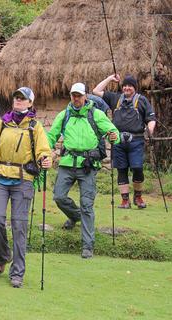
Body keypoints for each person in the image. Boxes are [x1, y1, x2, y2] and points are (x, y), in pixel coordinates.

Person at [0, 87, 51, 288]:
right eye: (16, 98)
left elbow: (43, 150)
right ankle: (3, 255)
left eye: (23, 99)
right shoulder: (1, 123)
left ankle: (17, 273)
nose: (19, 101)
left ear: (30, 103)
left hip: (23, 181)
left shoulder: (35, 127)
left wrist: (45, 159)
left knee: (19, 226)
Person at [47, 83, 119, 259]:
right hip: (67, 163)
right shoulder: (64, 115)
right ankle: (75, 215)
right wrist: (45, 151)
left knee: (87, 205)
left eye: (79, 95)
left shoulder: (96, 114)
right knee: (58, 196)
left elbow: (113, 131)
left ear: (85, 96)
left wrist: (114, 136)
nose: (76, 98)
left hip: (88, 165)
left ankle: (88, 245)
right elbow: (51, 136)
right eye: (73, 95)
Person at [93, 74, 156, 209]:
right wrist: (110, 78)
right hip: (118, 141)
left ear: (135, 88)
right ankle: (125, 201)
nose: (127, 88)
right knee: (121, 169)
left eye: (130, 86)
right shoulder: (115, 98)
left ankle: (138, 197)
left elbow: (151, 119)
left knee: (137, 168)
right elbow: (96, 91)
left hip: (136, 140)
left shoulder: (142, 100)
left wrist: (149, 131)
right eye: (125, 85)